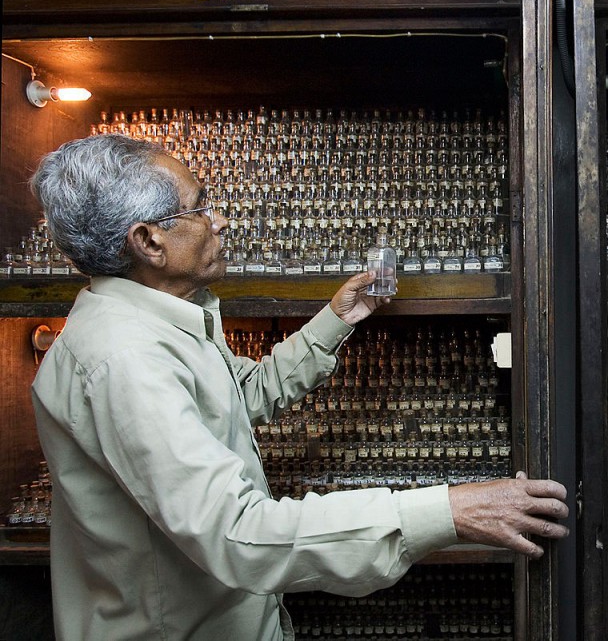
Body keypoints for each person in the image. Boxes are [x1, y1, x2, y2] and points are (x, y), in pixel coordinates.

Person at [29, 133, 570, 641]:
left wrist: (337, 319)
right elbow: (238, 532)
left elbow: (236, 399)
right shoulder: (126, 358)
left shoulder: (157, 326)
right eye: (198, 208)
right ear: (149, 241)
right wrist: (447, 511)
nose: (221, 221)